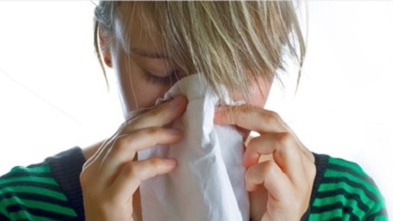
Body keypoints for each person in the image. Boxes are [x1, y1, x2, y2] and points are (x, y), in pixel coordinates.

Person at [0, 1, 387, 221]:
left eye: (234, 75)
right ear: (106, 45)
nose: (199, 108)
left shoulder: (345, 204)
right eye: (161, 73)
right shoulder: (18, 207)